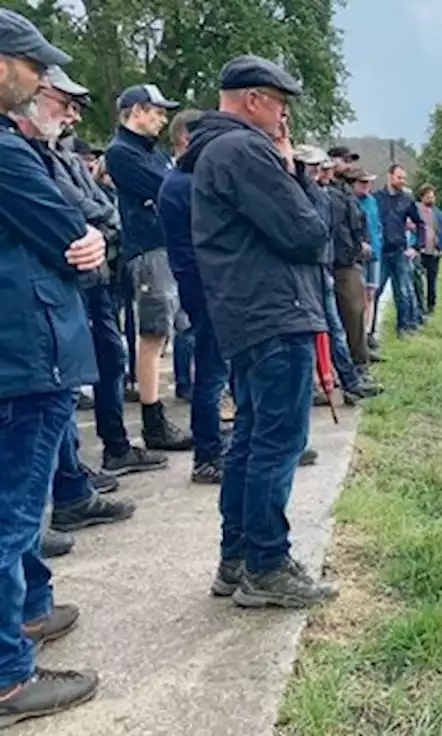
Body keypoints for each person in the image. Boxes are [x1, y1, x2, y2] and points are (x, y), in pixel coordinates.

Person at [180, 54, 337, 607]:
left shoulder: (212, 152)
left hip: (246, 316)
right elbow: (308, 232)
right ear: (253, 100)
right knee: (278, 444)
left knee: (248, 442)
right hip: (276, 311)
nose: (283, 117)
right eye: (280, 104)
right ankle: (268, 565)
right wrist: (292, 170)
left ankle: (238, 557)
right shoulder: (246, 150)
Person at [0, 7, 102, 723]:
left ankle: (26, 620)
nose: (39, 79)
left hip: (21, 347)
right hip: (25, 352)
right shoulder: (5, 150)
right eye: (32, 64)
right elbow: (69, 227)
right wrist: (90, 236)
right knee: (9, 519)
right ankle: (9, 677)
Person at [15, 69, 138, 536]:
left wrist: (98, 232)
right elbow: (69, 220)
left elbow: (91, 212)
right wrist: (94, 232)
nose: (70, 114)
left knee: (73, 383)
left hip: (70, 290)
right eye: (61, 101)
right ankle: (67, 492)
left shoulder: (50, 153)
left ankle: (68, 489)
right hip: (40, 305)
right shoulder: (17, 154)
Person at [46, 72, 169, 479]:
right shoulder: (101, 153)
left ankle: (109, 450)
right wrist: (105, 222)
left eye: (76, 108)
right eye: (66, 106)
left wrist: (104, 221)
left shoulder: (61, 154)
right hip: (80, 270)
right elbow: (75, 204)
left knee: (109, 357)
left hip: (98, 269)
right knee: (72, 371)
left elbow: (101, 202)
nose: (74, 117)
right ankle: (73, 475)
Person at [105, 82, 192, 451]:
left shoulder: (148, 151)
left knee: (172, 329)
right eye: (156, 111)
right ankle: (152, 419)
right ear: (136, 111)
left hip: (166, 247)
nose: (162, 119)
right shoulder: (122, 152)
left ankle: (158, 415)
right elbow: (167, 187)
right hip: (147, 249)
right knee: (152, 335)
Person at [159, 108, 233, 484]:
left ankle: (218, 444)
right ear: (187, 139)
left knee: (217, 370)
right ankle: (207, 455)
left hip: (205, 286)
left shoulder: (181, 180)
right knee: (211, 372)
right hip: (207, 289)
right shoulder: (183, 183)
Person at [324, 146, 375, 369]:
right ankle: (353, 365)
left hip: (351, 258)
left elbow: (358, 221)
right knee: (349, 313)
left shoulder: (345, 190)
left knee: (356, 311)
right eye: (344, 160)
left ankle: (358, 358)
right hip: (339, 260)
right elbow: (336, 228)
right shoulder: (328, 192)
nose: (348, 164)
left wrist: (361, 242)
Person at [372, 163, 424, 337]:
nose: (402, 181)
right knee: (375, 291)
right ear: (390, 176)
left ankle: (404, 326)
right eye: (399, 177)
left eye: (404, 178)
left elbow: (420, 224)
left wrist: (416, 247)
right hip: (380, 251)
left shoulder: (407, 200)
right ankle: (370, 330)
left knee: (402, 290)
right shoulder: (376, 198)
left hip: (399, 250)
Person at [354, 170, 383, 349]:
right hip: (359, 255)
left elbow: (378, 225)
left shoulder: (372, 201)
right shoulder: (352, 202)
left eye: (368, 182)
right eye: (362, 182)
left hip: (375, 253)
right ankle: (359, 335)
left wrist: (379, 241)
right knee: (360, 295)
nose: (366, 186)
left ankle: (368, 331)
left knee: (372, 294)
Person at [414, 184, 442, 317]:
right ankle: (419, 306)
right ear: (422, 197)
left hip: (434, 252)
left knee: (431, 281)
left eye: (433, 197)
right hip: (420, 251)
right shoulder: (415, 211)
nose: (431, 199)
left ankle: (431, 306)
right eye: (428, 197)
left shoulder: (438, 214)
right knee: (417, 281)